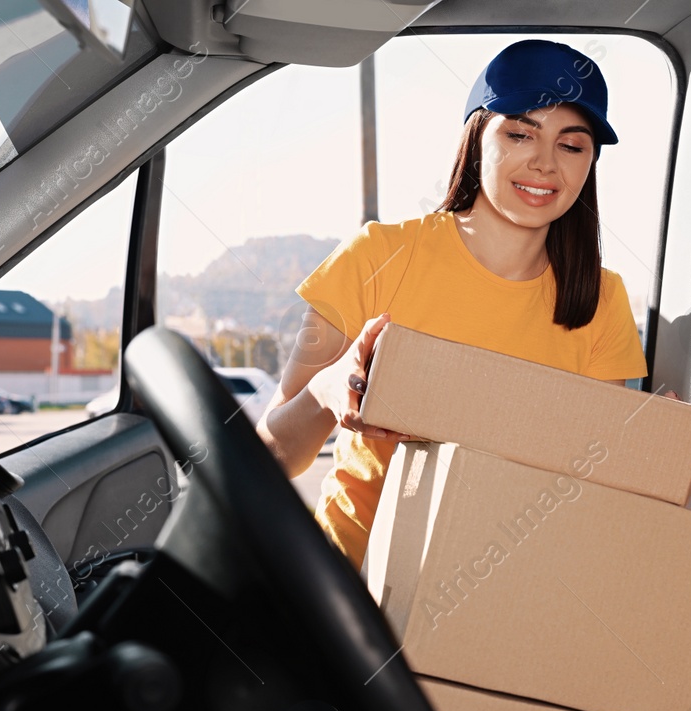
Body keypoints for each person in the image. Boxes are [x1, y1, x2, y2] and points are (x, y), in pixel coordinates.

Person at [257, 39, 650, 568]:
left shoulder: (602, 300)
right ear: (478, 136)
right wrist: (327, 392)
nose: (544, 164)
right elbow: (268, 460)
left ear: (590, 163)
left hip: (501, 591)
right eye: (519, 134)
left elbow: (596, 489)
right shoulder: (378, 255)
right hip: (350, 589)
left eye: (572, 145)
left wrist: (642, 452)